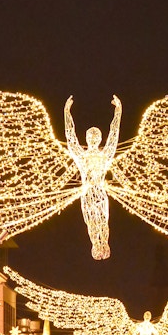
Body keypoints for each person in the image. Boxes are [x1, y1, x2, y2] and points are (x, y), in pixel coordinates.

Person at [64, 95, 122, 260]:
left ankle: (104, 243)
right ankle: (96, 246)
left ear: (100, 139)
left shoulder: (105, 155)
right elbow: (70, 137)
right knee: (91, 222)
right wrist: (66, 112)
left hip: (101, 193)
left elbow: (114, 135)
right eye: (91, 137)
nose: (93, 139)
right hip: (87, 193)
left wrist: (118, 111)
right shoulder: (81, 157)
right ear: (87, 138)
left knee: (103, 221)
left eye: (96, 137)